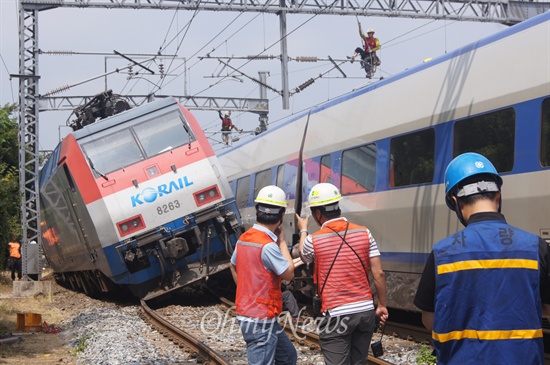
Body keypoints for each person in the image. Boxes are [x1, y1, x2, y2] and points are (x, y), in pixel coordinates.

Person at [414, 152, 550, 365]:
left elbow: (429, 320)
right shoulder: (536, 247)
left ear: (455, 201)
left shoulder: (442, 252)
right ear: (498, 197)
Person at [296, 182, 388, 365]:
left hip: (336, 314)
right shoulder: (365, 233)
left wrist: (303, 229)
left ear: (318, 214)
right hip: (364, 312)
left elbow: (302, 254)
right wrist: (382, 306)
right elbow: (379, 274)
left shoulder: (313, 241)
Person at [230, 185, 297, 365]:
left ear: (257, 210)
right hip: (260, 320)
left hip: (256, 315)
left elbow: (233, 265)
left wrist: (246, 293)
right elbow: (289, 274)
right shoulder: (268, 246)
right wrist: (282, 241)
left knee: (288, 356)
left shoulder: (244, 239)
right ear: (281, 216)